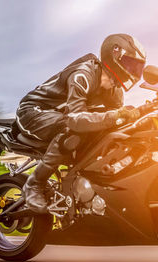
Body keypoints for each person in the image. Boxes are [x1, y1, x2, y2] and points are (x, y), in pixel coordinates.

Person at [15, 33, 147, 213]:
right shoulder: (83, 75)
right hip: (33, 111)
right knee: (71, 129)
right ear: (115, 55)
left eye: (138, 66)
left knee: (107, 125)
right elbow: (75, 120)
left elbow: (117, 119)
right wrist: (115, 115)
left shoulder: (114, 91)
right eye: (131, 64)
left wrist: (137, 114)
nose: (134, 70)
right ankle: (34, 184)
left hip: (61, 114)